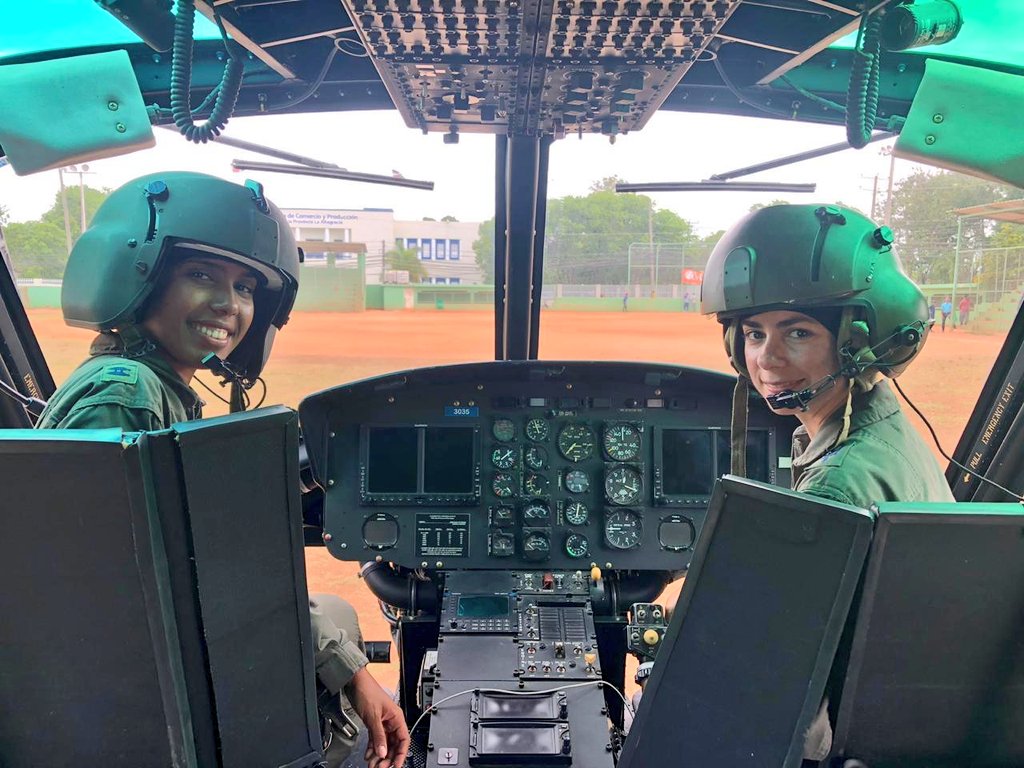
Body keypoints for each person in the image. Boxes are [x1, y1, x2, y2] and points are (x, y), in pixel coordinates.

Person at [36, 171, 409, 768]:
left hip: (138, 666)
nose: (228, 305)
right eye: (201, 275)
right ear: (142, 277)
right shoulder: (127, 395)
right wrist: (354, 673)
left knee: (335, 618)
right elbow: (122, 600)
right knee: (347, 702)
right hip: (135, 700)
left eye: (245, 287)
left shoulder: (155, 388)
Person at [701, 203, 954, 762]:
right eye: (754, 333)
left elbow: (787, 700)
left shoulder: (839, 483)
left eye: (797, 332)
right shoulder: (882, 430)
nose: (767, 358)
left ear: (858, 344)